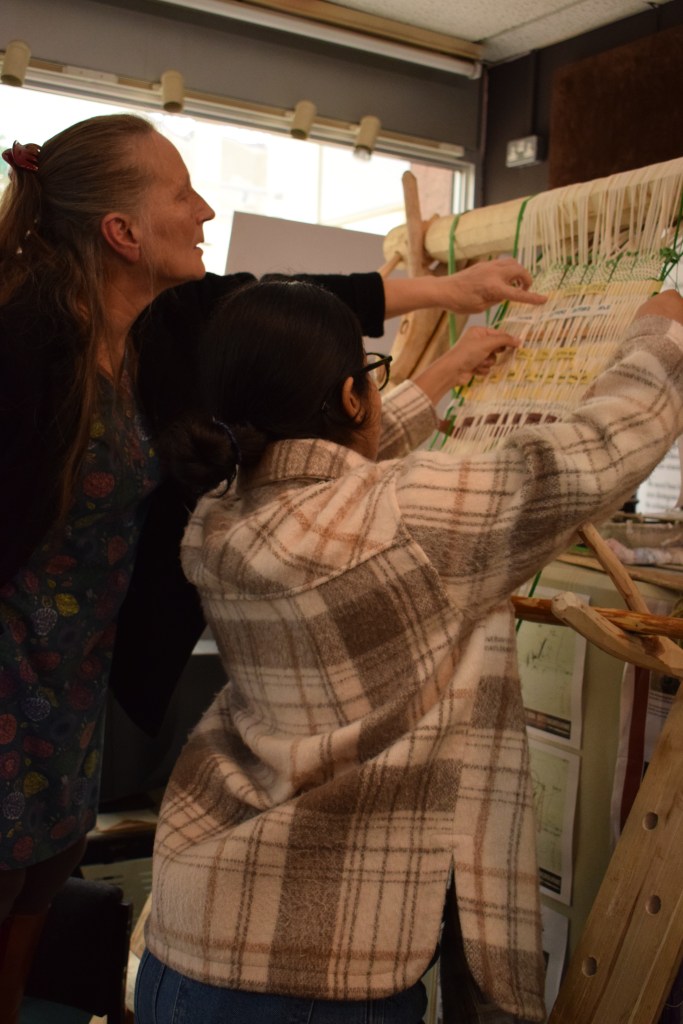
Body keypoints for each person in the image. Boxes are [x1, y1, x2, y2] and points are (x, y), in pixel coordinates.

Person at [0, 111, 544, 1019]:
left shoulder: (156, 331)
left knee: (32, 899)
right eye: (181, 193)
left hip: (70, 689)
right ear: (123, 233)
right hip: (10, 684)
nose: (206, 208)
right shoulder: (21, 346)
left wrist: (448, 310)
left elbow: (294, 310)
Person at [135, 281, 683, 1024]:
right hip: (318, 978)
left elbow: (320, 472)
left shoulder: (221, 519)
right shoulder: (408, 516)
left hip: (189, 939)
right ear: (352, 397)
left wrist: (443, 372)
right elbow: (598, 449)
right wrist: (660, 335)